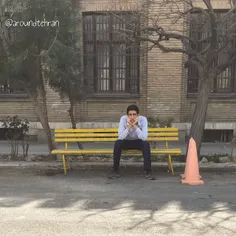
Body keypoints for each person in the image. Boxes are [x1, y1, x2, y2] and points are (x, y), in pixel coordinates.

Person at [109, 104, 155, 180]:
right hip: (126, 142)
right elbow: (120, 137)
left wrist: (135, 126)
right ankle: (115, 170)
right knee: (118, 143)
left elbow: (144, 137)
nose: (132, 117)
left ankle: (148, 171)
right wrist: (130, 125)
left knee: (145, 144)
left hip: (138, 142)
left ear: (138, 115)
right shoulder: (123, 119)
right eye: (130, 115)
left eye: (134, 114)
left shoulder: (143, 119)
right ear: (127, 115)